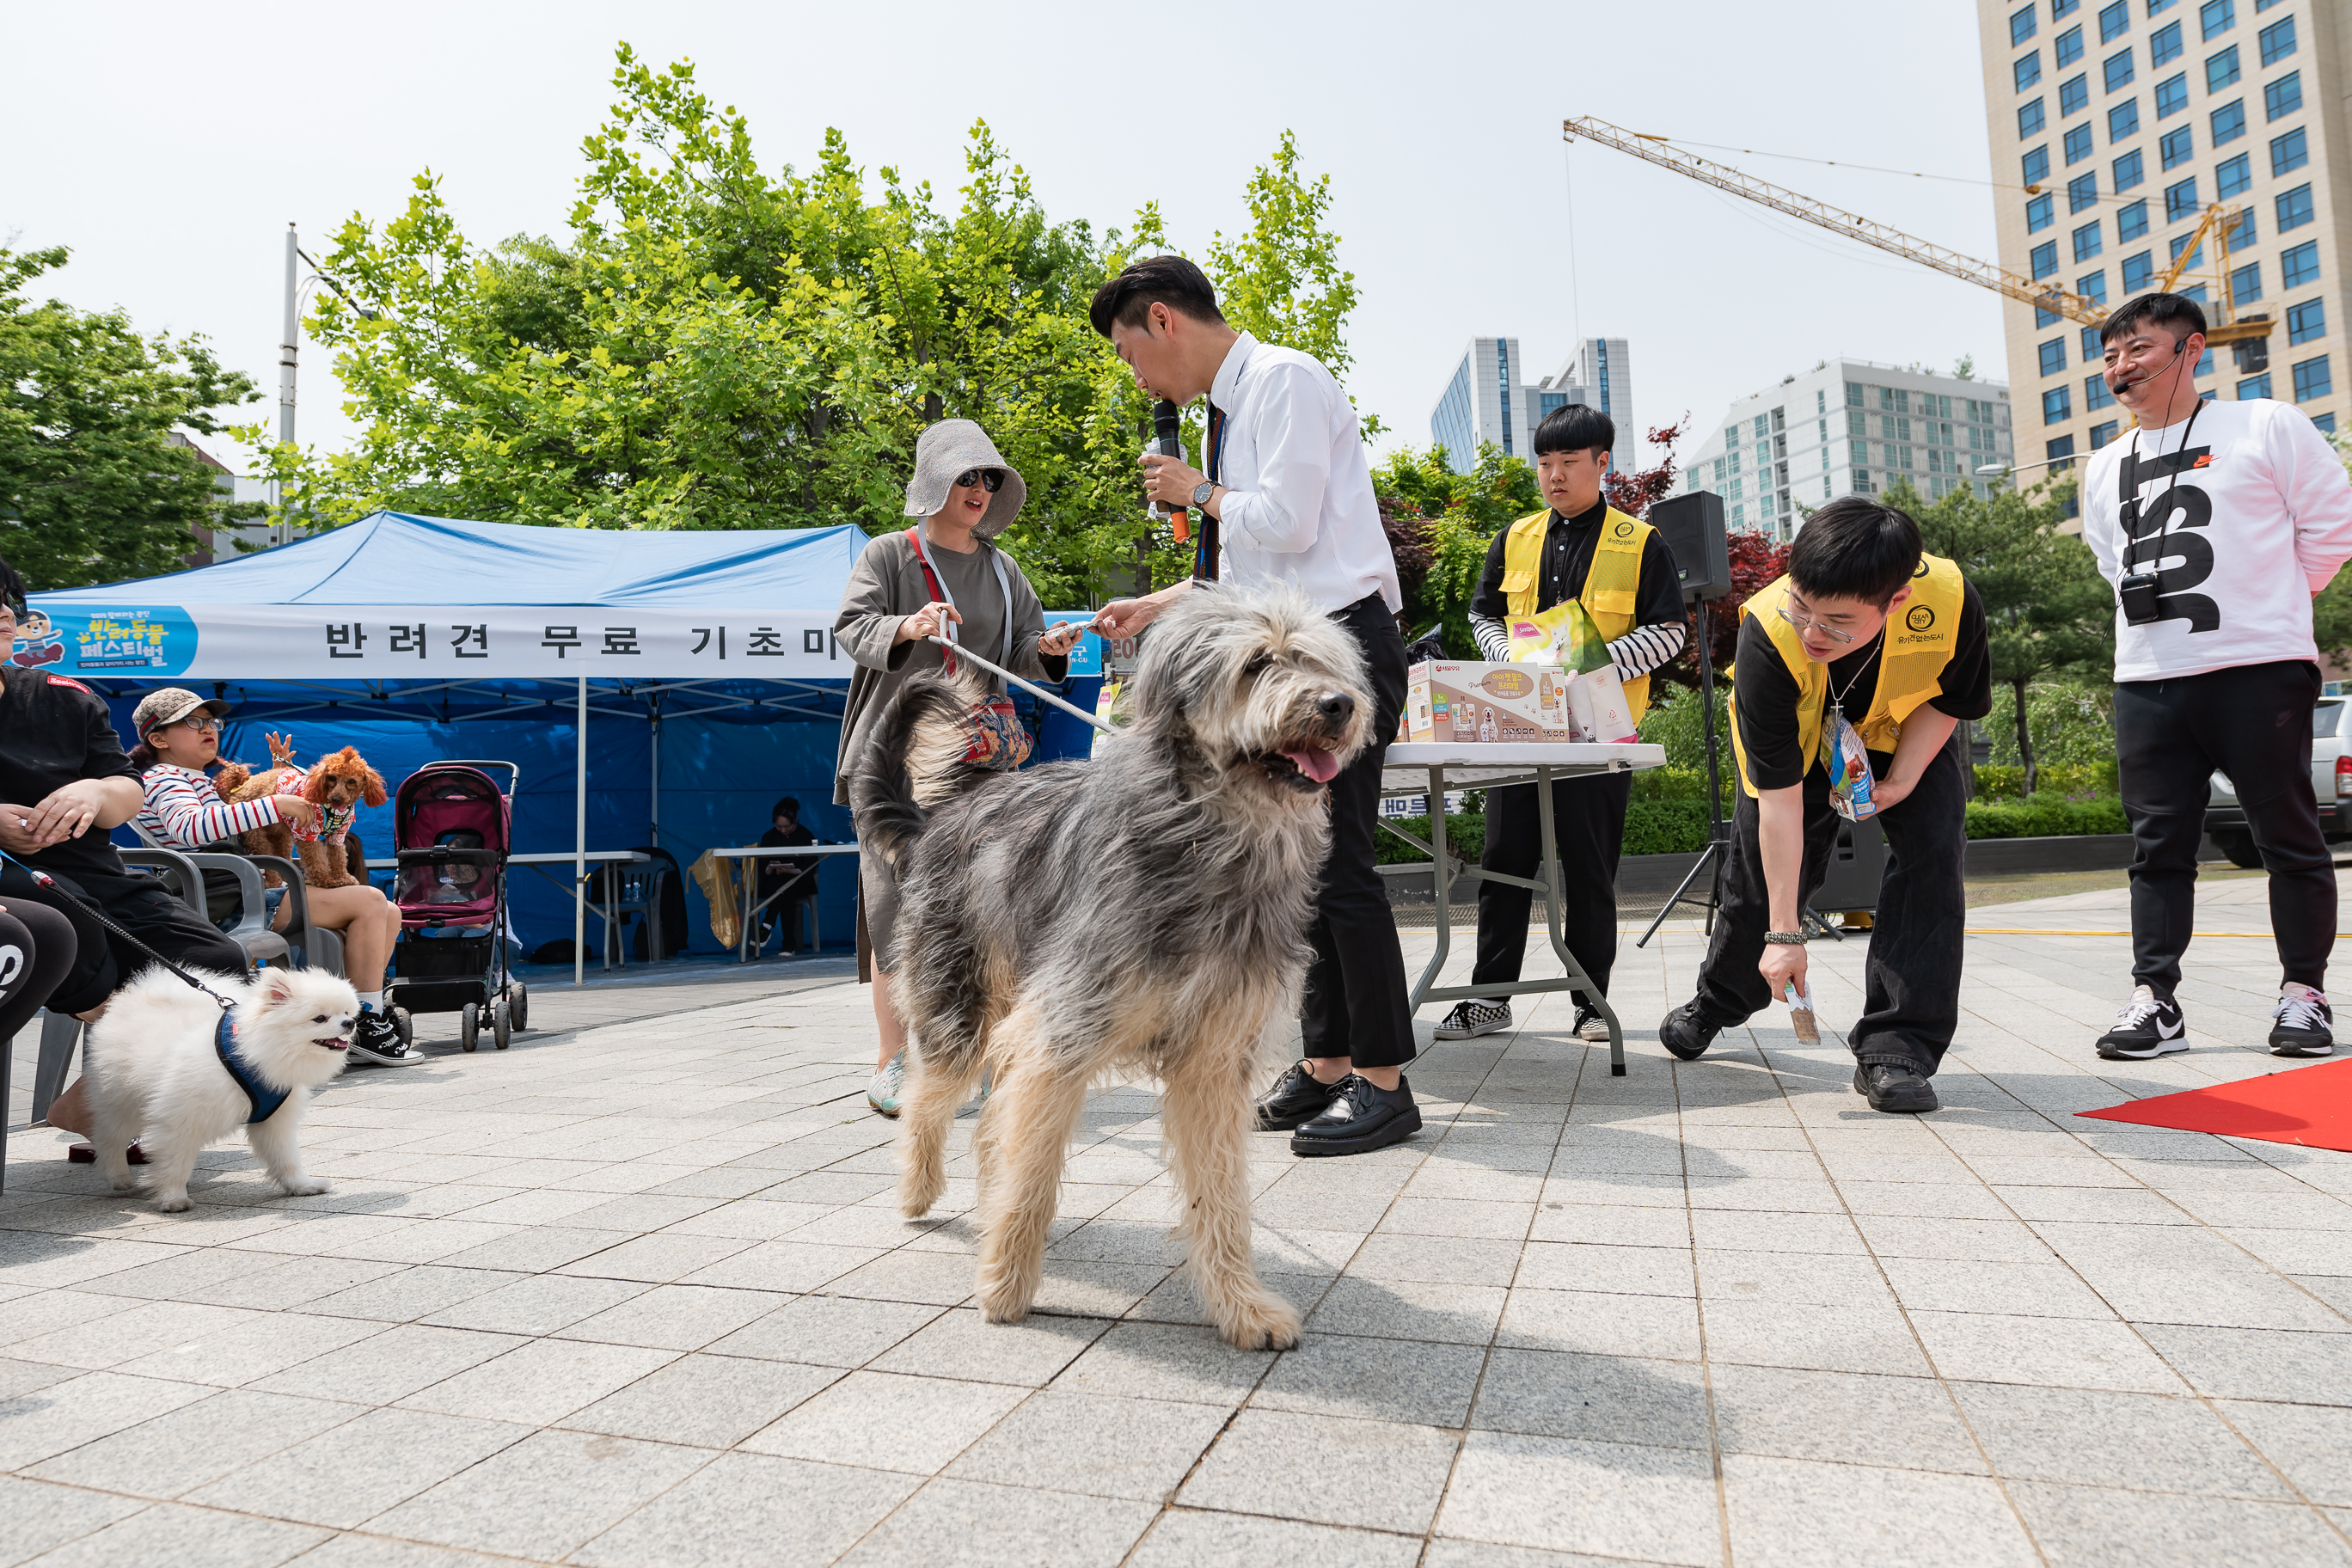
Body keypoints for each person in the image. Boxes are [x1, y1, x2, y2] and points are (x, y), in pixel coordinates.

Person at [1087, 254, 1420, 1157]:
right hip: (1284, 640)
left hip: (1334, 646)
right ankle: (1325, 1064)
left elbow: (1290, 523)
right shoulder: (1230, 416)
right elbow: (1243, 566)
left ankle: (1387, 1083)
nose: (1137, 376)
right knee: (1296, 863)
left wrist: (1194, 491)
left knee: (1341, 860)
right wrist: (1159, 605)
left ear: (1163, 321)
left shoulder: (1283, 380)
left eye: (1129, 353)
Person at [2080, 292, 2352, 1058]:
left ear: (2190, 349)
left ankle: (2305, 995)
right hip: (2146, 676)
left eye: (2137, 350)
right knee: (2157, 844)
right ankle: (2155, 1001)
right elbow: (2112, 563)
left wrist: (2272, 606)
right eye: (2109, 357)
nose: (2120, 369)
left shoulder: (2266, 424)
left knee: (2288, 835)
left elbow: (2332, 525)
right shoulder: (2105, 465)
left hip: (2257, 668)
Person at [1656, 497, 1991, 1113]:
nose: (1812, 632)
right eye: (1802, 606)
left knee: (1935, 855)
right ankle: (1720, 1001)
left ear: (1894, 602)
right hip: (1804, 743)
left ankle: (1898, 1047)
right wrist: (1787, 933)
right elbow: (1781, 807)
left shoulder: (1950, 598)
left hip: (1905, 729)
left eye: (1836, 622)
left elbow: (1952, 698)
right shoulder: (1768, 635)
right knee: (1759, 885)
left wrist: (1904, 779)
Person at [835, 419, 1088, 1117]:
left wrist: (1054, 646)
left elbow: (1025, 653)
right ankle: (892, 1063)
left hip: (981, 770)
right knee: (897, 909)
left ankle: (979, 1053)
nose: (980, 490)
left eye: (990, 479)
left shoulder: (1005, 570)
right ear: (936, 483)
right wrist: (907, 627)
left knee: (988, 906)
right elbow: (851, 629)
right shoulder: (891, 555)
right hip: (898, 764)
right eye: (967, 477)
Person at [1436, 403, 1689, 1044]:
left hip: (1600, 735)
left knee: (1588, 868)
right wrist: (1510, 663)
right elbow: (1482, 616)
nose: (1553, 476)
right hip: (1519, 730)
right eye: (1545, 463)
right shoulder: (1514, 536)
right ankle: (1490, 997)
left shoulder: (1640, 543)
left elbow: (1670, 633)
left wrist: (1595, 669)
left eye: (1569, 463)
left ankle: (1589, 1002)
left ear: (1602, 463)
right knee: (1504, 860)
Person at [0, 560, 249, 1150]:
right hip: (25, 884)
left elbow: (125, 790)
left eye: (7, 603)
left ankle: (96, 1105)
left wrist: (94, 791)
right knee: (65, 915)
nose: (3, 615)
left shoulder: (65, 700)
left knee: (215, 957)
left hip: (96, 869)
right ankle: (123, 1093)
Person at [128, 692, 420, 1065]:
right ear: (158, 739)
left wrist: (279, 774)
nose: (209, 730)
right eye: (193, 722)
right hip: (221, 900)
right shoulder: (164, 778)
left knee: (388, 911)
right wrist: (277, 802)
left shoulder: (194, 778)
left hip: (245, 889)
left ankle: (354, 1019)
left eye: (212, 722)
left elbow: (235, 810)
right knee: (371, 902)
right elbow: (190, 829)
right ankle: (363, 1023)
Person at [756, 797, 821, 952]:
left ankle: (766, 925)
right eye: (779, 827)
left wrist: (791, 870)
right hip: (773, 882)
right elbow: (762, 866)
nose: (783, 830)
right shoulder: (768, 837)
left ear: (796, 819)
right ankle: (788, 944)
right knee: (785, 891)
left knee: (787, 884)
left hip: (800, 880)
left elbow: (810, 865)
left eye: (787, 826)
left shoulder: (805, 835)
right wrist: (771, 868)